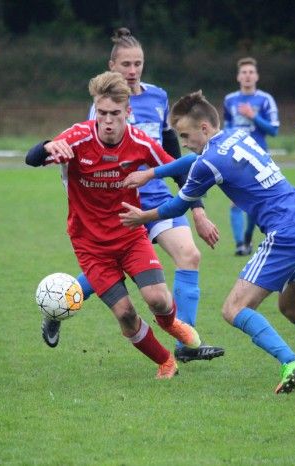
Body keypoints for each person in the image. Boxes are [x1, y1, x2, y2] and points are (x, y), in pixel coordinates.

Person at [121, 91, 295, 393]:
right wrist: (152, 173)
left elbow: (177, 206)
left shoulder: (209, 162)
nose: (184, 142)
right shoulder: (235, 135)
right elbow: (191, 160)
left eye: (186, 135)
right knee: (293, 307)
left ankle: (291, 360)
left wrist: (142, 217)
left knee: (234, 308)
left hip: (287, 232)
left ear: (204, 128)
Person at [42, 27, 225, 364]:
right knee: (108, 272)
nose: (132, 70)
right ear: (112, 66)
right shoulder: (104, 108)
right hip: (122, 204)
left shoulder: (158, 97)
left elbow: (171, 151)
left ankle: (185, 343)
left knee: (189, 256)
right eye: (125, 64)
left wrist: (197, 208)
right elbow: (89, 157)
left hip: (159, 198)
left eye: (138, 63)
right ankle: (59, 304)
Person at [223, 57, 280, 256]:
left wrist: (253, 116)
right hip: (236, 158)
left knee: (255, 202)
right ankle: (240, 244)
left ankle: (247, 237)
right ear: (238, 77)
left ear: (257, 76)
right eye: (244, 72)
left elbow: (274, 130)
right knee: (235, 201)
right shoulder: (230, 100)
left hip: (259, 158)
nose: (247, 76)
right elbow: (227, 127)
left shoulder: (265, 99)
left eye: (251, 72)